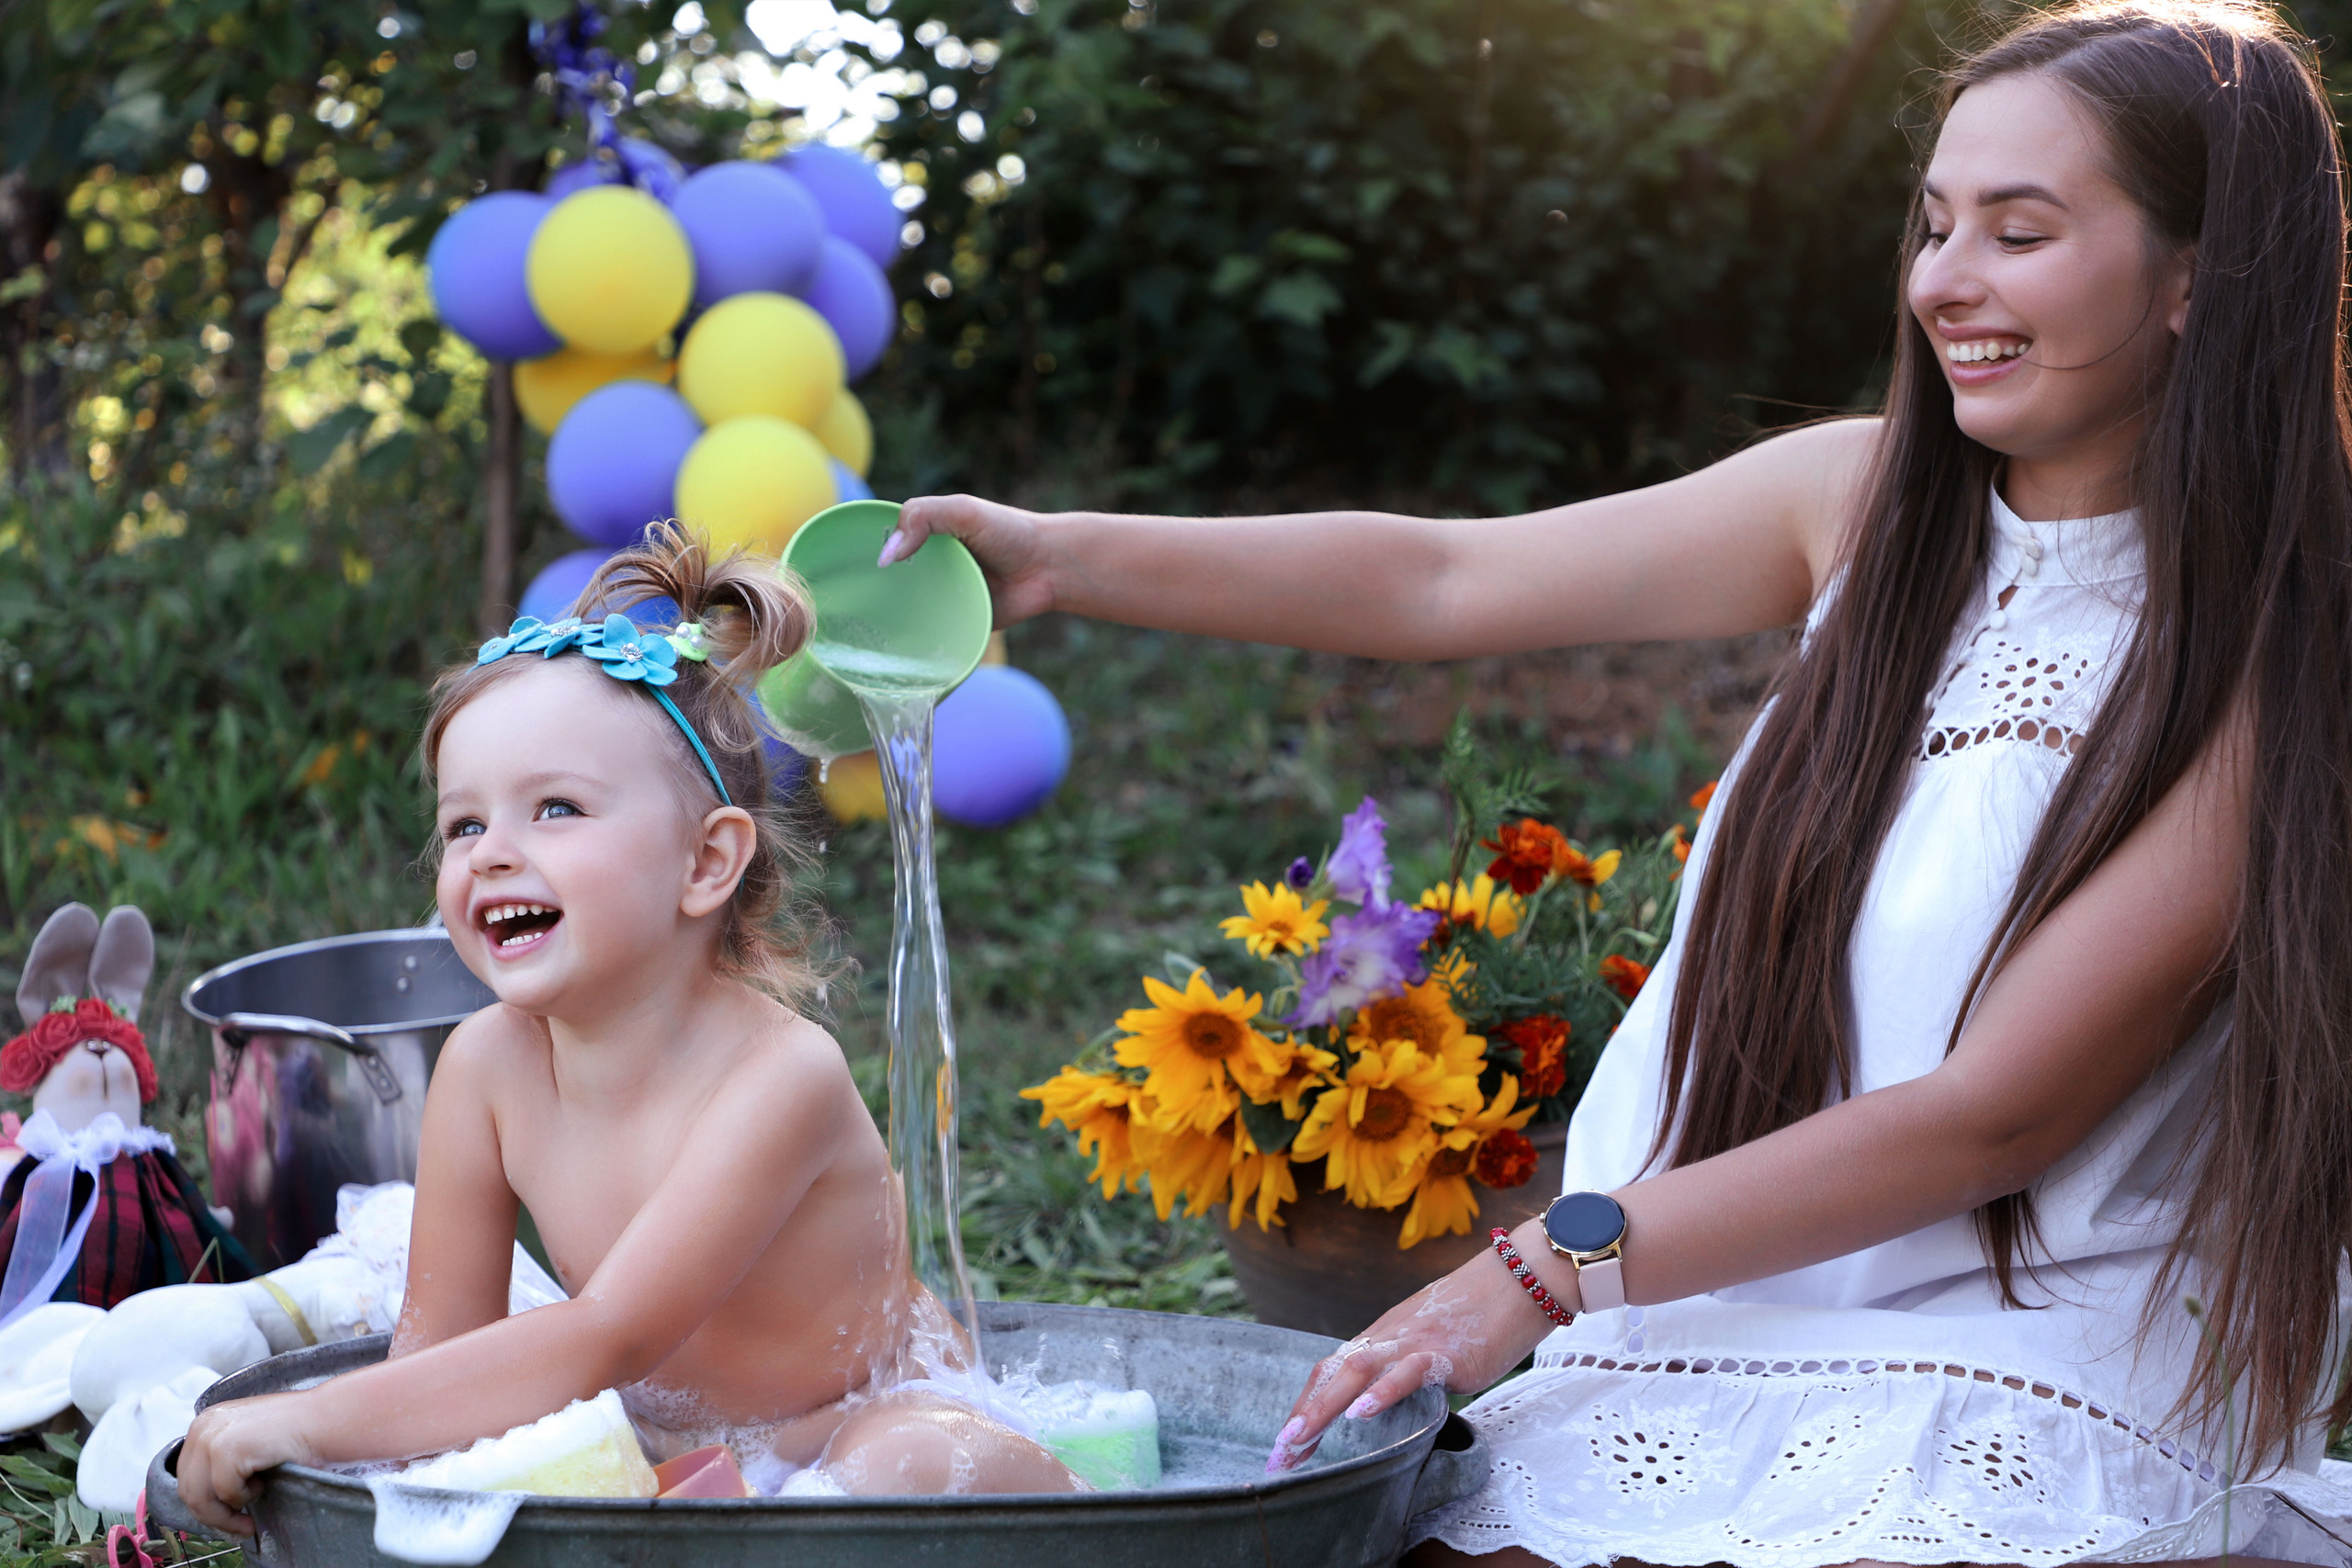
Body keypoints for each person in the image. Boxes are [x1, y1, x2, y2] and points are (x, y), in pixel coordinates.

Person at [879, 3, 2352, 1562]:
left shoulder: (2281, 652)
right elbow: (1446, 581)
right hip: (1703, 1321)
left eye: (2021, 228)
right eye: (1932, 223)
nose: (1942, 280)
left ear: (2202, 271)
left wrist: (1528, 1273)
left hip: (2030, 1373)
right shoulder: (1862, 504)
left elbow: (1989, 1118)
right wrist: (1055, 558)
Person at [175, 525, 1081, 1535]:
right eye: (464, 824)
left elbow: (610, 1335)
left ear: (705, 864)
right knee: (501, 1430)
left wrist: (306, 1421)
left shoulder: (782, 1076)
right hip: (674, 1446)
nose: (490, 855)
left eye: (555, 809)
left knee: (901, 1461)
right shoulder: (485, 1066)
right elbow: (433, 1360)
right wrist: (322, 1449)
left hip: (857, 1428)